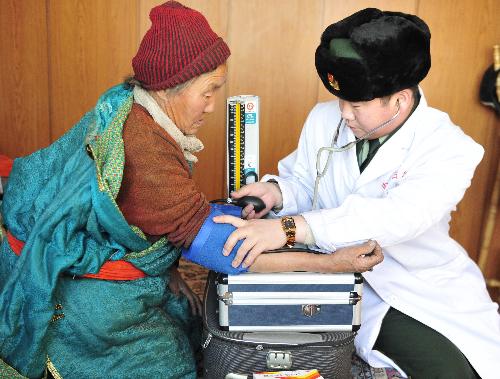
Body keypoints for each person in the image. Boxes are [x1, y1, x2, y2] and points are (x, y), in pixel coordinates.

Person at [0, 2, 383, 378]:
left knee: (185, 314)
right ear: (171, 88)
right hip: (80, 291)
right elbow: (231, 255)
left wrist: (188, 250)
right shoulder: (146, 152)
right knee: (173, 363)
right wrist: (333, 265)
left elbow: (178, 217)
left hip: (83, 248)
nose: (213, 106)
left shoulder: (130, 103)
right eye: (208, 91)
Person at [215, 8, 500, 379]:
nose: (345, 114)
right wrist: (275, 192)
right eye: (341, 102)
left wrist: (289, 227)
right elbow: (305, 181)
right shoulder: (324, 118)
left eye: (357, 105)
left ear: (398, 99)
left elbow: (394, 218)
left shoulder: (449, 148)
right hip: (339, 279)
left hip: (419, 284)